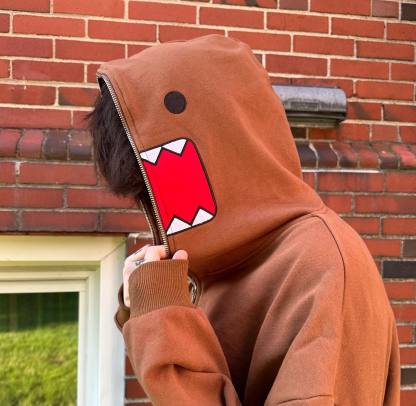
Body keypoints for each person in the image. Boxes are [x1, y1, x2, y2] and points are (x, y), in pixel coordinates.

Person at [88, 34, 400, 405]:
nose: (162, 208)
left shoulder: (322, 266)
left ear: (221, 146)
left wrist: (161, 321)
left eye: (154, 180)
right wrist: (152, 307)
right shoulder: (215, 265)